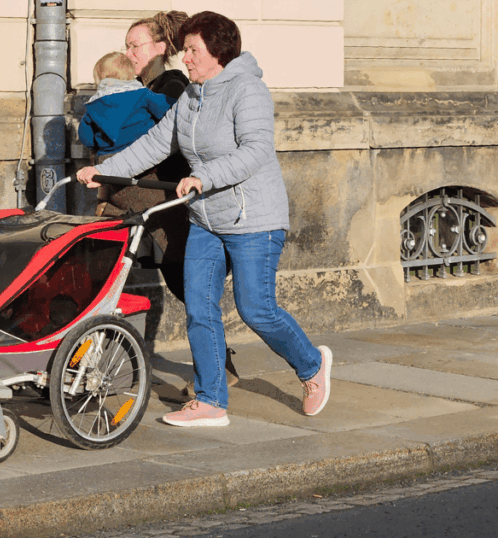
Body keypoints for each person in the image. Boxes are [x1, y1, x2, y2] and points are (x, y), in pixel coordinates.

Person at [76, 11, 333, 427]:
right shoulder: (191, 96)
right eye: (186, 49)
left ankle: (311, 365)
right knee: (199, 308)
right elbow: (154, 144)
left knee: (257, 309)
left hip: (254, 219)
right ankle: (211, 400)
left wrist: (203, 176)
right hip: (206, 221)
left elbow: (254, 151)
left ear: (218, 51)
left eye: (194, 50)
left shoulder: (248, 91)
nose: (187, 58)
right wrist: (106, 172)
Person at [78, 52, 175, 157]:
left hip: (107, 157)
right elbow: (168, 109)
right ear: (130, 74)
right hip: (140, 153)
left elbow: (86, 137)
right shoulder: (142, 94)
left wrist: (97, 145)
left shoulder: (94, 104)